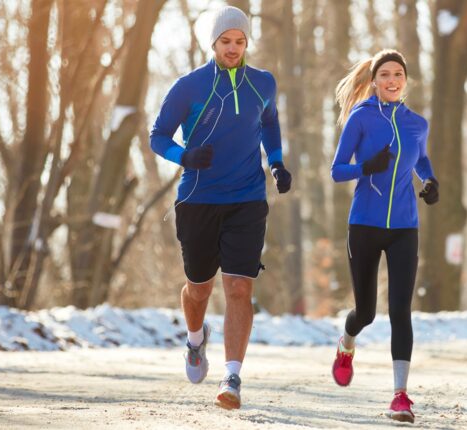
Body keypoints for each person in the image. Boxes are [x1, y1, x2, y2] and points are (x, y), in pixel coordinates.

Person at [149, 5, 291, 410]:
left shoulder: (263, 82)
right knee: (199, 289)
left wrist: (277, 162)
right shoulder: (189, 86)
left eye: (240, 41)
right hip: (198, 200)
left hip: (247, 198)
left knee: (240, 287)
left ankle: (232, 377)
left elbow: (269, 123)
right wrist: (185, 157)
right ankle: (196, 341)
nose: (233, 48)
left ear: (248, 43)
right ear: (213, 43)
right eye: (226, 41)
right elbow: (158, 136)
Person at [329, 49, 439, 424]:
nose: (392, 80)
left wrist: (430, 180)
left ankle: (400, 396)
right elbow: (337, 171)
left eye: (398, 75)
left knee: (400, 312)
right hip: (365, 224)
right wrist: (365, 167)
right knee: (367, 312)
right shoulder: (360, 118)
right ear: (374, 81)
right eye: (385, 75)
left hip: (405, 227)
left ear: (405, 80)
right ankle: (346, 344)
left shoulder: (416, 123)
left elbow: (420, 158)